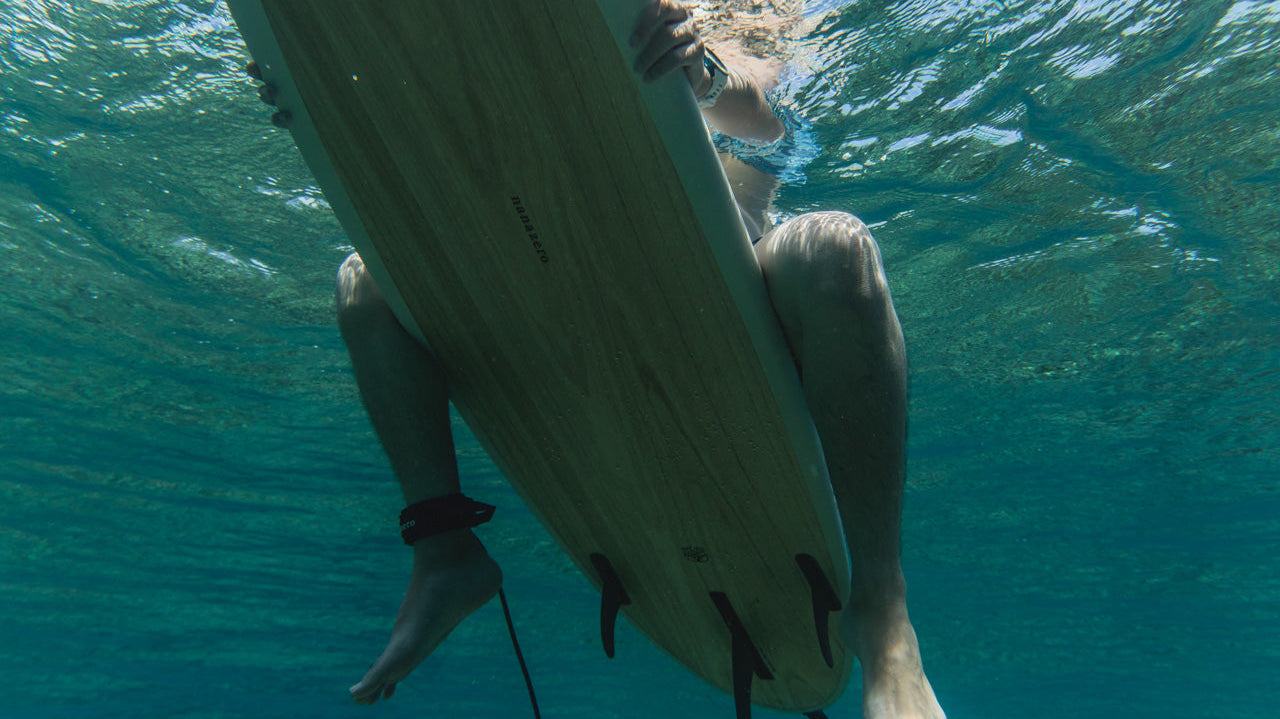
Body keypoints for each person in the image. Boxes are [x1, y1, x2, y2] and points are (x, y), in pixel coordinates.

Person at [323, 2, 946, 717]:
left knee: (837, 248)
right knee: (365, 283)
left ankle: (885, 619)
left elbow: (769, 118)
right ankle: (444, 550)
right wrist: (322, 94)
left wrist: (702, 72)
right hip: (551, 280)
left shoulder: (757, 9)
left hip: (724, 293)